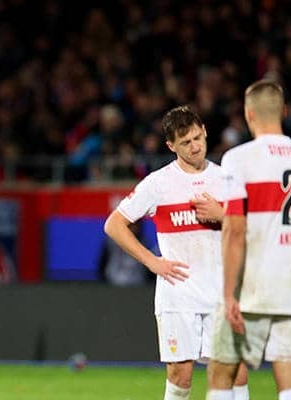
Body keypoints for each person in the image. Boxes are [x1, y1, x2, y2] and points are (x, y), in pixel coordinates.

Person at [104, 106, 249, 400]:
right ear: (171, 146)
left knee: (236, 373)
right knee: (180, 376)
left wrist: (222, 215)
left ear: (205, 131)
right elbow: (114, 224)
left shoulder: (227, 179)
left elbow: (252, 231)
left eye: (197, 138)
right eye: (186, 142)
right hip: (178, 295)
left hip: (221, 292)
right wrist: (152, 262)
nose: (195, 147)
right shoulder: (158, 183)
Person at [206, 81, 291, 400]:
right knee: (289, 376)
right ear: (284, 112)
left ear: (249, 114)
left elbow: (235, 230)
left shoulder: (239, 158)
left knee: (221, 372)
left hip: (253, 285)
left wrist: (228, 293)